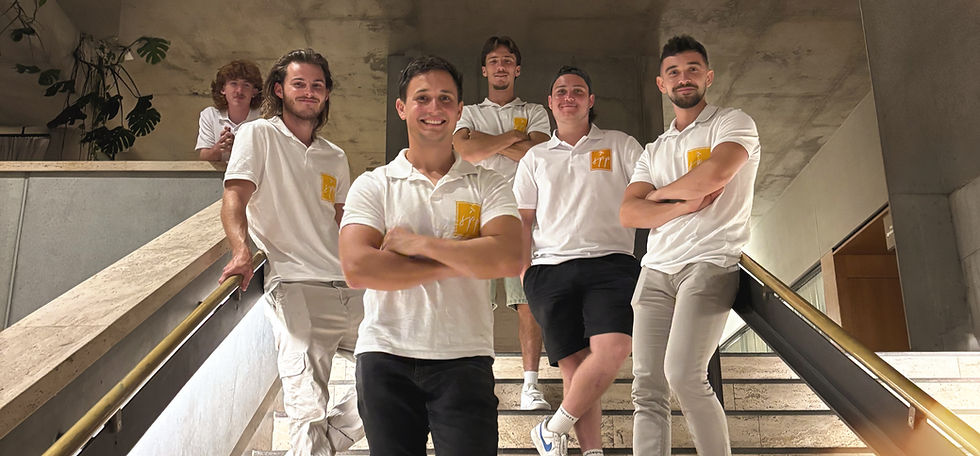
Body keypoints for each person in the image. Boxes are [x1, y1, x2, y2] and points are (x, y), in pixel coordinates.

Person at [339, 55, 524, 456]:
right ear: (402, 107)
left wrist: (419, 245)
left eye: (445, 98)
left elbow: (510, 258)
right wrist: (464, 259)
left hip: (465, 356)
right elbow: (358, 268)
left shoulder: (488, 184)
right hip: (385, 355)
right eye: (422, 98)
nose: (434, 108)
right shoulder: (375, 184)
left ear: (459, 110)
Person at [219, 49, 365, 456]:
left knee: (397, 372)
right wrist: (240, 251)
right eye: (299, 84)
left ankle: (326, 444)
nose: (309, 92)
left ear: (327, 94)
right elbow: (234, 197)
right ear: (279, 90)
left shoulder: (335, 156)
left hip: (350, 286)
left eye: (317, 85)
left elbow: (344, 221)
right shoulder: (258, 135)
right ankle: (313, 445)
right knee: (307, 405)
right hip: (295, 286)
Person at [620, 35, 761, 456]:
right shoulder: (654, 150)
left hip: (710, 262)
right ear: (661, 83)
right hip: (655, 270)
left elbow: (715, 175)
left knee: (683, 374)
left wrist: (658, 196)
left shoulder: (733, 123)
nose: (684, 78)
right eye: (674, 72)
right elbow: (629, 213)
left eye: (692, 69)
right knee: (646, 389)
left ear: (708, 76)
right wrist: (686, 203)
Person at [516, 66, 643, 456]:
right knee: (574, 368)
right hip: (549, 269)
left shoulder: (621, 145)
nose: (568, 96)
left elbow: (649, 191)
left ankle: (552, 428)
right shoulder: (535, 157)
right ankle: (591, 452)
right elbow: (523, 220)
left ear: (591, 101)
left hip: (612, 263)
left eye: (577, 90)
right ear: (550, 103)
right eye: (560, 91)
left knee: (613, 349)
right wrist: (524, 273)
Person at [452, 35, 552, 411]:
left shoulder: (536, 111)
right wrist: (512, 138)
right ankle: (473, 384)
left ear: (517, 69)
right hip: (474, 213)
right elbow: (464, 150)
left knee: (527, 302)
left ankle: (531, 386)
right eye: (494, 61)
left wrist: (487, 142)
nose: (501, 67)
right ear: (484, 69)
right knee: (472, 302)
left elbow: (537, 154)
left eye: (507, 61)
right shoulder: (468, 112)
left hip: (519, 214)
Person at [197, 60, 263, 161]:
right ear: (223, 89)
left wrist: (239, 148)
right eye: (233, 84)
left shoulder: (264, 116)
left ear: (254, 92)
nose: (239, 91)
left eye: (246, 85)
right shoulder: (210, 115)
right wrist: (219, 148)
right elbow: (204, 157)